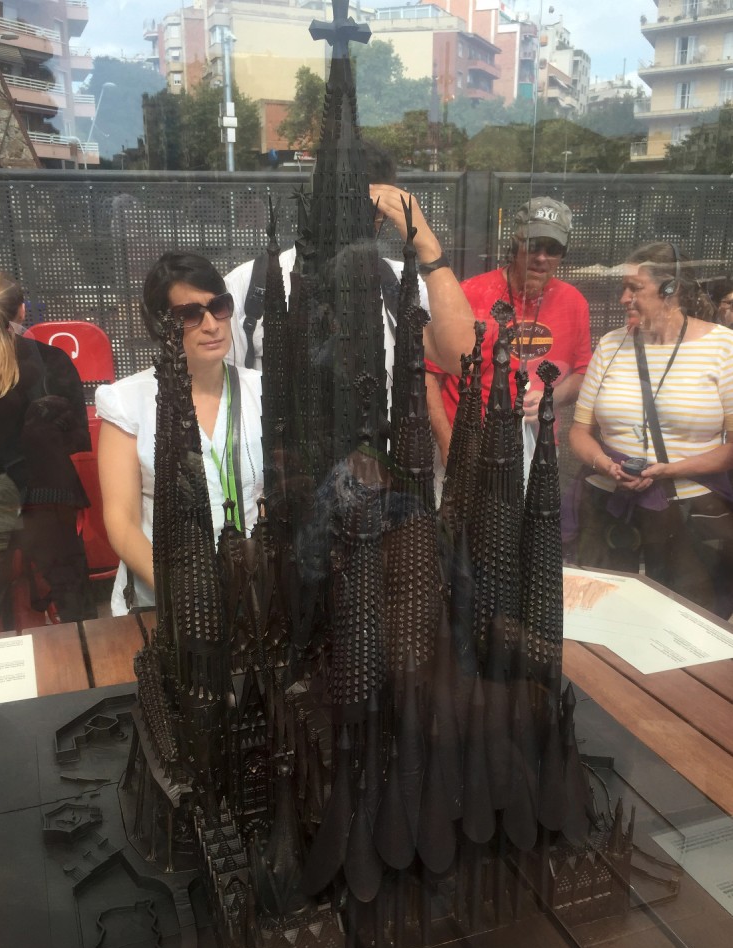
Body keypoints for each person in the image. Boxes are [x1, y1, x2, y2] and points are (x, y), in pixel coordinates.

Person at [568, 242, 733, 615]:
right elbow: (579, 431)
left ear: (670, 290)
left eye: (634, 288)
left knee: (683, 616)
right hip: (609, 504)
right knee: (602, 614)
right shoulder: (611, 344)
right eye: (623, 287)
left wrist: (669, 470)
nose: (624, 298)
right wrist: (604, 464)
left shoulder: (723, 348)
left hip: (686, 511)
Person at [96, 253, 264, 617]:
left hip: (253, 596)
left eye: (219, 307)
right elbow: (122, 522)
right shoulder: (127, 401)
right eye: (190, 314)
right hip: (163, 601)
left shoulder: (261, 390)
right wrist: (185, 595)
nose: (212, 325)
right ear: (161, 325)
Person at [224, 147, 474, 384]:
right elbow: (227, 389)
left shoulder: (397, 282)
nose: (347, 223)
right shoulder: (250, 284)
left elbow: (464, 360)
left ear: (382, 214)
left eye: (364, 212)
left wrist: (426, 244)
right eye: (337, 206)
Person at [426, 197, 592, 474]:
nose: (541, 257)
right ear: (515, 245)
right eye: (533, 245)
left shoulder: (574, 303)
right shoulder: (469, 294)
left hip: (536, 445)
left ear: (563, 253)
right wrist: (445, 443)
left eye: (552, 249)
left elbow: (583, 373)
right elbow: (430, 372)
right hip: (468, 443)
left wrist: (552, 396)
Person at [0, 270, 94, 628]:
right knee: (74, 607)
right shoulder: (53, 360)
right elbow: (77, 438)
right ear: (21, 310)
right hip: (49, 500)